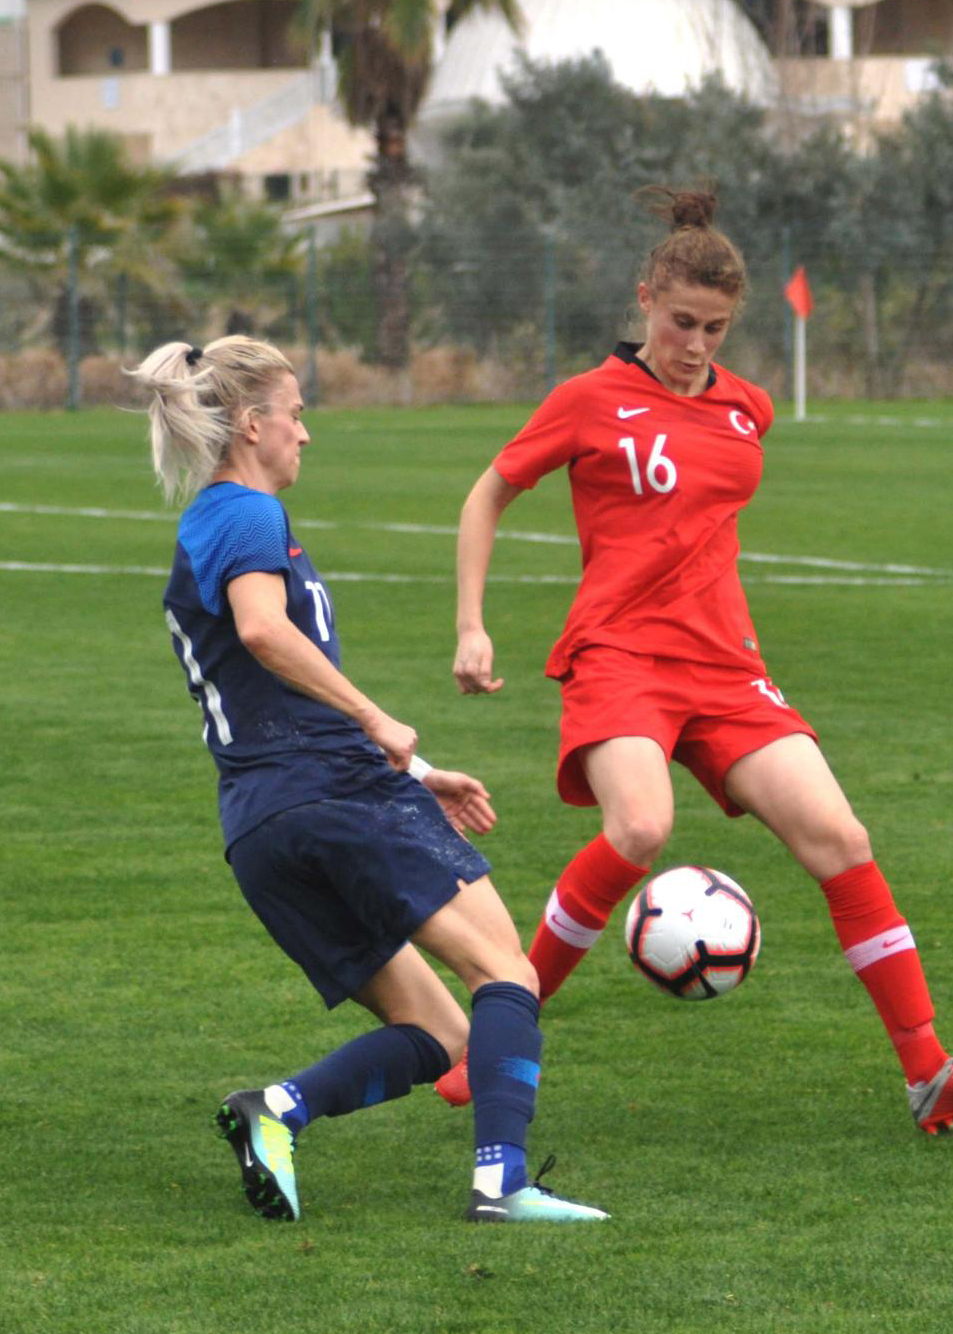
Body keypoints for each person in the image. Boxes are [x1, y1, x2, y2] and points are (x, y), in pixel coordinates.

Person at [434, 188, 953, 1135]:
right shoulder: (588, 401)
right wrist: (471, 625)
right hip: (619, 655)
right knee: (639, 828)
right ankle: (499, 1042)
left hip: (724, 670)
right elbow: (486, 496)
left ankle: (930, 1073)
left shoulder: (746, 410)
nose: (695, 342)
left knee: (839, 840)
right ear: (645, 300)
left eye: (715, 327)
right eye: (681, 321)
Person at [132, 334, 607, 1223]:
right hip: (330, 794)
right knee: (508, 973)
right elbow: (267, 633)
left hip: (263, 824)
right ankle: (502, 1187)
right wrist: (377, 722)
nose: (305, 434)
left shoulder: (206, 523)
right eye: (296, 412)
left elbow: (265, 679)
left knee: (442, 1033)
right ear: (250, 423)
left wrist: (415, 770)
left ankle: (276, 1113)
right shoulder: (245, 513)